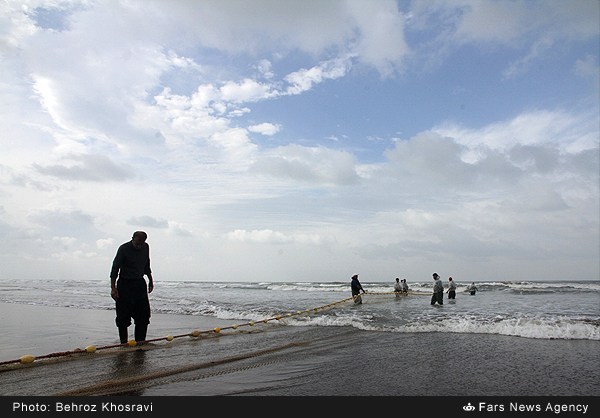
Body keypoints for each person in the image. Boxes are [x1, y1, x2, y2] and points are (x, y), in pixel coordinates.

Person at [110, 231, 154, 344]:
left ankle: (140, 341)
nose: (139, 246)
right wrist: (113, 288)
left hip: (139, 283)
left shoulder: (146, 247)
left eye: (142, 243)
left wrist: (150, 280)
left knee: (143, 315)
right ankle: (123, 342)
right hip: (125, 284)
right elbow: (115, 268)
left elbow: (147, 264)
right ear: (132, 238)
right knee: (122, 316)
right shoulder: (123, 249)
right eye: (137, 243)